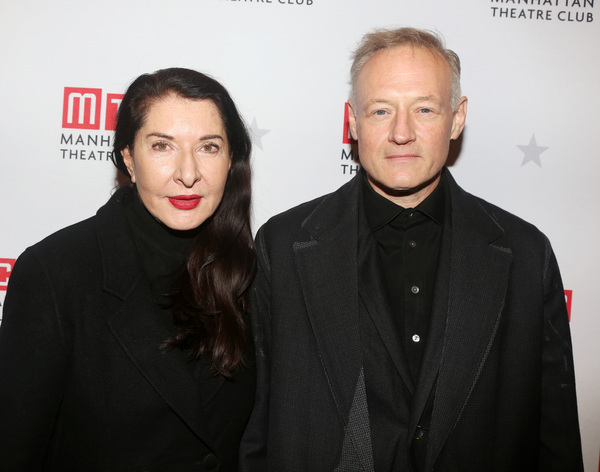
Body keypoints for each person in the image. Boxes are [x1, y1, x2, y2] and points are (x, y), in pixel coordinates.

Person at [240, 28, 583, 471]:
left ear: (457, 118)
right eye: (381, 110)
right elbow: (256, 430)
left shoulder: (525, 254)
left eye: (424, 109)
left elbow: (554, 440)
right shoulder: (283, 246)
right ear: (353, 121)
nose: (402, 133)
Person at [0, 68, 256, 471]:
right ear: (129, 160)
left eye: (208, 147)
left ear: (231, 161)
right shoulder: (55, 273)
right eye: (162, 147)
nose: (188, 174)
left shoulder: (253, 273)